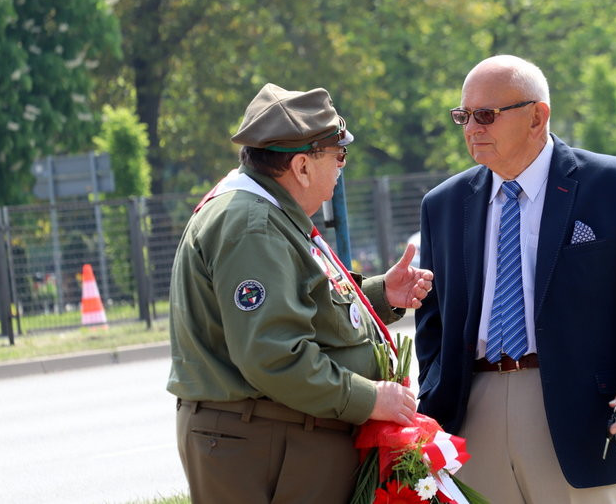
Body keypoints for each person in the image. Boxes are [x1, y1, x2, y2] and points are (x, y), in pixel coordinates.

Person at [415, 55, 616, 503]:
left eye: (486, 115)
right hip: (470, 414)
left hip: (579, 414)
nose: (471, 128)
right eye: (463, 116)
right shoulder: (443, 204)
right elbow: (434, 324)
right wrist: (435, 392)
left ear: (537, 116)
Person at [167, 83, 433, 503]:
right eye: (338, 154)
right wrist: (371, 399)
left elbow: (306, 301)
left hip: (274, 437)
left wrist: (381, 295)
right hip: (262, 442)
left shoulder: (266, 210)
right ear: (302, 166)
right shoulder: (252, 223)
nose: (342, 166)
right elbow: (275, 354)